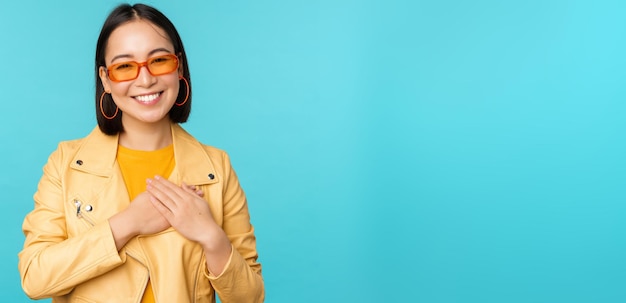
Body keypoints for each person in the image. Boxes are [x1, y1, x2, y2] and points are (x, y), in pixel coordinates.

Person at [18, 3, 264, 302]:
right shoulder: (66, 163)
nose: (145, 79)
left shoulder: (216, 167)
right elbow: (35, 278)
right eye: (125, 66)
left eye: (159, 60)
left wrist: (212, 237)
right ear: (106, 79)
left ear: (179, 67)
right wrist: (129, 223)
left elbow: (250, 297)